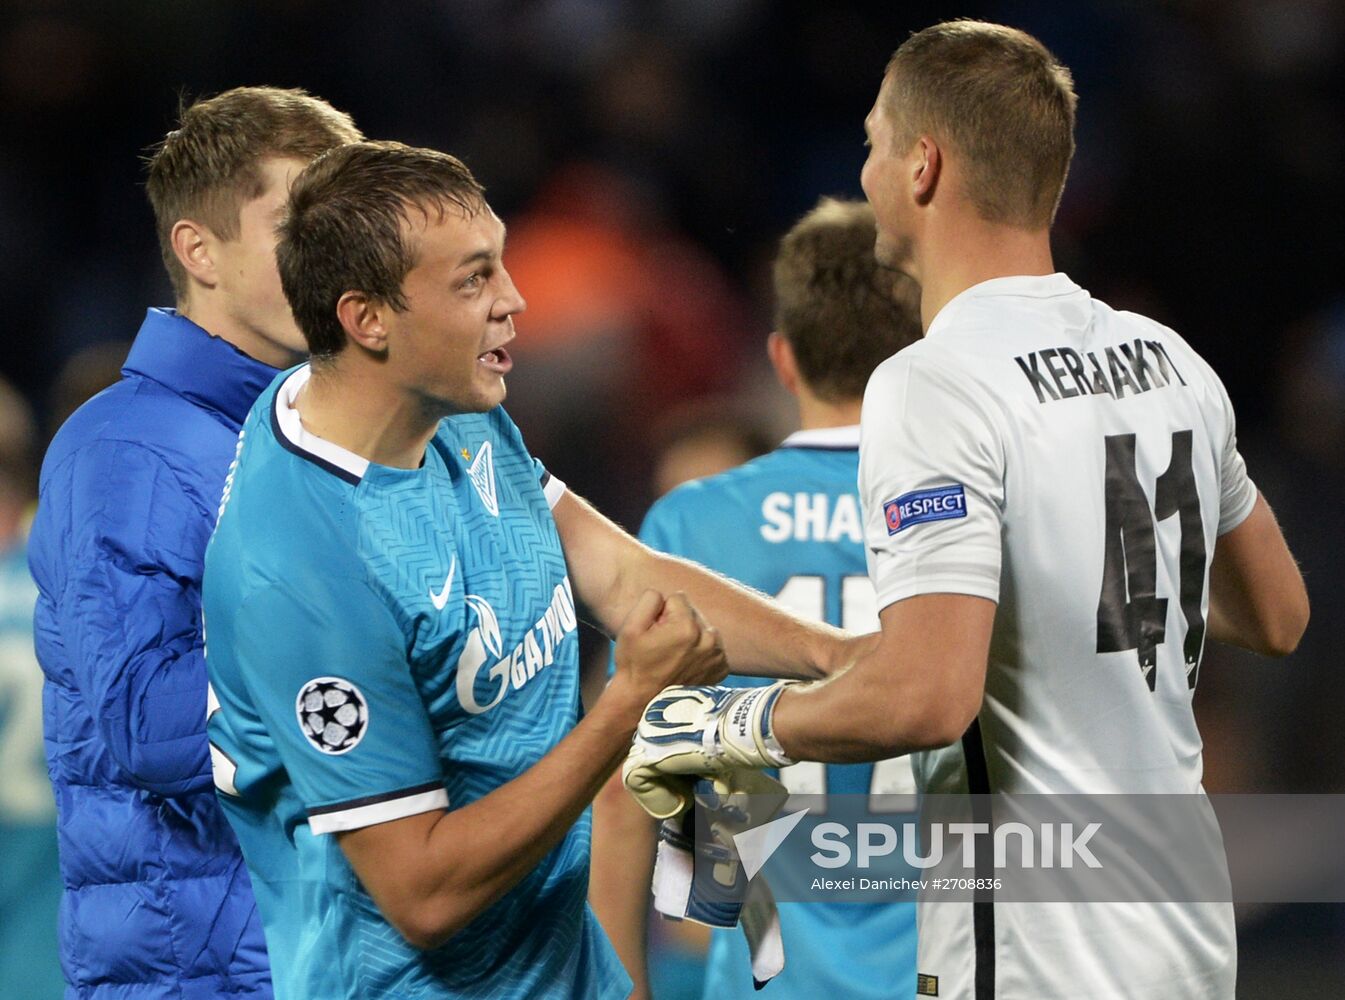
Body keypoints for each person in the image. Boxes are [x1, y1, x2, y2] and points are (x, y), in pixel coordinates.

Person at [623, 20, 1310, 1000]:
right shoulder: (1168, 360)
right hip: (1183, 924)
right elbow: (1275, 614)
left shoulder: (934, 384)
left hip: (1037, 946)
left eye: (870, 143)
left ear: (922, 164)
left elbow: (925, 695)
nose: (860, 174)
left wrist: (724, 722)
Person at [201, 140, 857, 1000]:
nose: (514, 302)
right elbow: (422, 894)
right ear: (367, 320)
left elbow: (626, 578)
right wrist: (628, 703)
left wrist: (842, 657)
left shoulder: (448, 407)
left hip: (559, 967)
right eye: (473, 282)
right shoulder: (301, 567)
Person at [27, 87, 362, 999]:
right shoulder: (128, 449)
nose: (332, 261)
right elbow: (148, 728)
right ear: (198, 250)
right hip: (201, 977)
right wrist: (366, 640)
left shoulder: (316, 439)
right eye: (298, 227)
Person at [591, 198, 923, 999]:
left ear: (780, 359)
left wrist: (623, 987)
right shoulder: (980, 513)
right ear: (922, 355)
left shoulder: (692, 523)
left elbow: (623, 777)